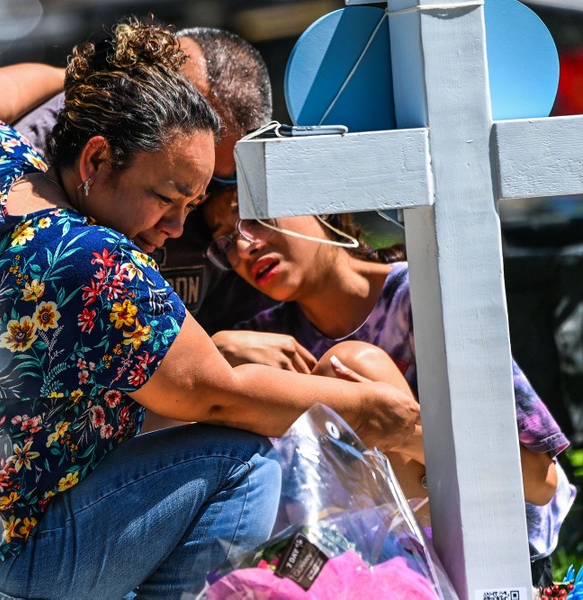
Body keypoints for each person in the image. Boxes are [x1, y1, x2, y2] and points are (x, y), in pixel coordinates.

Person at [0, 17, 419, 599]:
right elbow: (217, 393)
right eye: (165, 198)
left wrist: (85, 80)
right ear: (98, 160)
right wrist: (368, 407)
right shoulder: (96, 263)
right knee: (243, 465)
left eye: (194, 201)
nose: (179, 226)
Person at [0, 26, 279, 437]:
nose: (187, 220)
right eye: (179, 119)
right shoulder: (22, 154)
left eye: (221, 180)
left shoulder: (231, 211)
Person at [202, 199, 577, 589]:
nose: (245, 248)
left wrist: (402, 430)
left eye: (256, 220)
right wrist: (219, 351)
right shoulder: (266, 342)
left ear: (317, 205)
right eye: (226, 240)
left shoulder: (422, 296)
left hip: (497, 558)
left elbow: (539, 481)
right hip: (362, 569)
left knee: (347, 367)